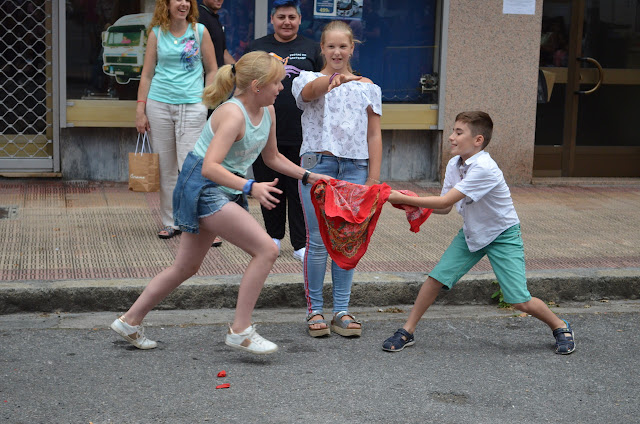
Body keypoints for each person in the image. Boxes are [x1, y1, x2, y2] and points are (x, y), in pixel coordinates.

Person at [111, 51, 331, 354]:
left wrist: (308, 176)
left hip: (224, 186)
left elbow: (272, 158)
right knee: (266, 249)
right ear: (256, 85)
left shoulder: (267, 111)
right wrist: (251, 186)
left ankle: (130, 320)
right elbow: (209, 167)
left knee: (185, 267)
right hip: (203, 186)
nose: (281, 88)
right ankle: (240, 329)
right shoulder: (232, 114)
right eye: (277, 83)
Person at [381, 111, 576, 355]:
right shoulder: (455, 163)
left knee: (518, 300)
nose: (451, 137)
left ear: (478, 140)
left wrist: (399, 196)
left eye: (458, 132)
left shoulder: (484, 168)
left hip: (502, 234)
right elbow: (446, 208)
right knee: (436, 279)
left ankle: (559, 325)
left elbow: (442, 203)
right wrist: (410, 204)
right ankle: (407, 331)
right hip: (472, 232)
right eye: (453, 131)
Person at [291, 20, 382, 338]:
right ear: (322, 49)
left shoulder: (367, 85)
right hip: (318, 165)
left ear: (352, 47)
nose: (337, 51)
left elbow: (374, 134)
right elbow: (310, 92)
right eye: (331, 46)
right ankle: (314, 311)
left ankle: (341, 311)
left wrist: (373, 177)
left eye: (343, 46)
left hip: (356, 169)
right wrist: (333, 80)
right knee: (316, 242)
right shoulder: (308, 78)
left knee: (347, 241)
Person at [246, 0, 322, 261]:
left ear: (299, 19)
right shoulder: (258, 47)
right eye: (281, 17)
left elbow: (324, 85)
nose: (287, 21)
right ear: (272, 19)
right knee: (270, 187)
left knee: (300, 189)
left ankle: (301, 244)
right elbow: (244, 83)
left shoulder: (311, 48)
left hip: (303, 134)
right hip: (264, 131)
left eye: (291, 17)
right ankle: (273, 237)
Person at [136, 0, 217, 240]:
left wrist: (206, 101)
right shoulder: (156, 34)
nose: (183, 4)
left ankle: (203, 224)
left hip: (192, 107)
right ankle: (171, 222)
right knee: (166, 168)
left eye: (187, 0)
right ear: (167, 4)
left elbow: (212, 69)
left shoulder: (199, 31)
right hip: (159, 106)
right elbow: (147, 74)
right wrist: (141, 110)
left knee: (191, 167)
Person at [198, 0, 235, 68]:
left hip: (217, 74)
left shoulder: (214, 18)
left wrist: (239, 71)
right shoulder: (199, 17)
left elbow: (223, 53)